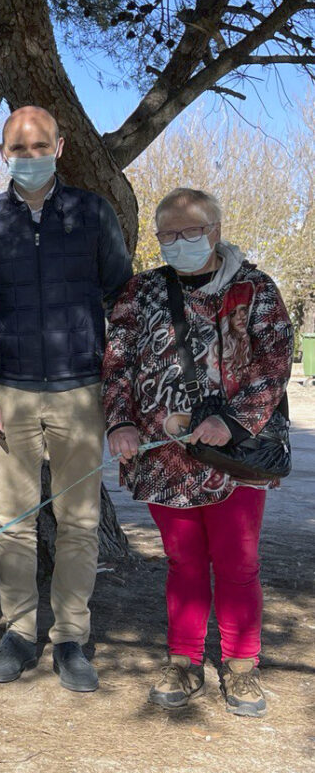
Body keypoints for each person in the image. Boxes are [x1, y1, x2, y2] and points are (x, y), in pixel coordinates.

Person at [0, 106, 132, 692]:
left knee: (79, 523)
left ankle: (71, 640)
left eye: (39, 146)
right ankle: (19, 633)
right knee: (13, 524)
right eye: (17, 147)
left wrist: (115, 386)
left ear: (59, 148)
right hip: (9, 396)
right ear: (2, 154)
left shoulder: (92, 213)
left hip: (80, 392)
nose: (28, 156)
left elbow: (120, 297)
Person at [103, 188, 291, 717]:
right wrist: (119, 421)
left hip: (233, 456)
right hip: (164, 458)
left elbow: (274, 362)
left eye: (191, 232)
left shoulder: (254, 288)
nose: (179, 242)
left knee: (237, 562)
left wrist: (230, 421)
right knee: (183, 561)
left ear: (215, 229)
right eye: (168, 235)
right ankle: (184, 660)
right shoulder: (139, 292)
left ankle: (242, 665)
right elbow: (116, 363)